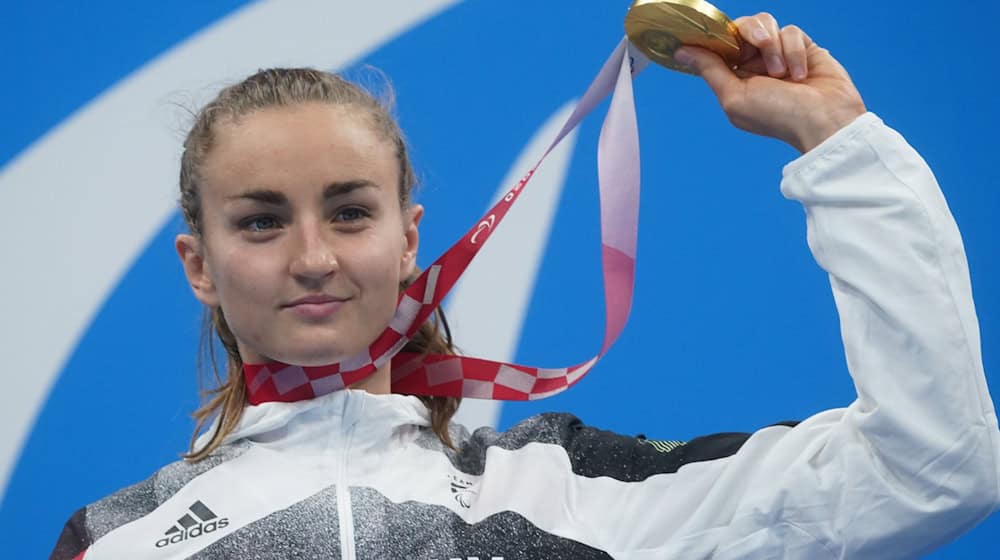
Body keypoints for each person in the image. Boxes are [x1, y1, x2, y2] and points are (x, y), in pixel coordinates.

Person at [51, 12, 999, 559]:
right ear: (199, 264)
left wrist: (836, 144)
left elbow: (935, 469)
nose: (313, 258)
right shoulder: (119, 539)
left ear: (408, 238)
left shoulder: (586, 490)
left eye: (349, 212)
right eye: (261, 221)